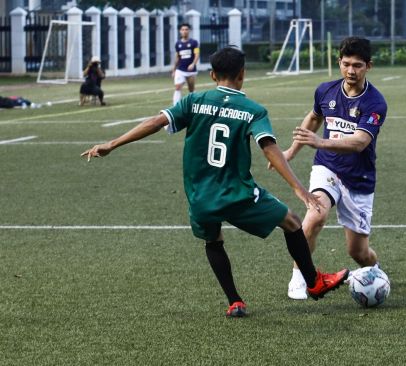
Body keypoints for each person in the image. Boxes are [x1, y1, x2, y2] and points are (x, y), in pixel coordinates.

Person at [81, 47, 348, 318]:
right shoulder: (253, 110)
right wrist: (298, 188)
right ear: (242, 74)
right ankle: (314, 282)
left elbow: (155, 122)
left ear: (211, 75)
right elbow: (268, 148)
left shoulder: (193, 101)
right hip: (237, 193)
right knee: (291, 222)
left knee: (213, 239)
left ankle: (234, 301)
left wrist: (111, 144)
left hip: (200, 197)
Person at [275, 37, 388, 300]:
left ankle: (375, 272)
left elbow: (360, 142)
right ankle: (300, 277)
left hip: (358, 180)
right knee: (315, 215)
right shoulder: (325, 90)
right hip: (327, 168)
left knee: (358, 253)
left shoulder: (375, 102)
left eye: (357, 65)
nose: (351, 71)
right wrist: (291, 151)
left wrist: (320, 141)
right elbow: (314, 117)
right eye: (346, 64)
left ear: (368, 66)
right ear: (339, 63)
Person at [172, 23, 199, 105]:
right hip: (180, 69)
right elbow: (177, 56)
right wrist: (174, 69)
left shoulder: (194, 42)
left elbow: (197, 54)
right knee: (177, 87)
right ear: (180, 31)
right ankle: (175, 106)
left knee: (191, 89)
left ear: (189, 31)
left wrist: (193, 64)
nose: (184, 31)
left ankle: (194, 105)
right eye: (183, 30)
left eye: (186, 29)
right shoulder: (178, 44)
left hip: (191, 70)